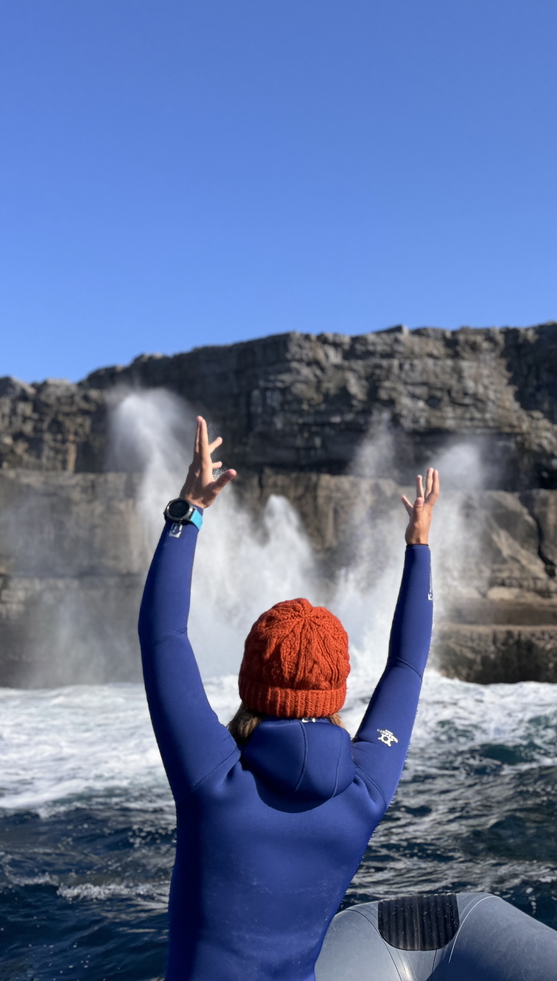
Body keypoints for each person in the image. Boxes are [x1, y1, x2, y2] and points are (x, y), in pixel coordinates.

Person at [138, 416, 440, 981]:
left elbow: (163, 638)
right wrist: (418, 544)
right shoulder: (365, 790)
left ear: (251, 680)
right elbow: (407, 665)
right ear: (337, 688)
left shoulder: (214, 782)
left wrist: (189, 511)